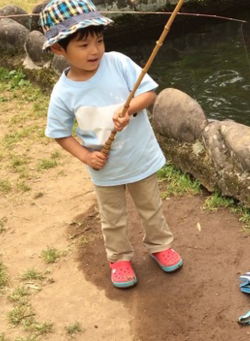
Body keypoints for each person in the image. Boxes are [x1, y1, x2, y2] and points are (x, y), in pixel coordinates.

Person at [40, 0, 183, 288]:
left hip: (140, 157)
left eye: (99, 40)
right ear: (59, 49)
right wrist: (85, 156)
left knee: (151, 207)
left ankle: (159, 246)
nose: (94, 50)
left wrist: (129, 110)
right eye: (83, 45)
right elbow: (60, 133)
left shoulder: (117, 62)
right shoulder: (63, 92)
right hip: (105, 168)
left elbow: (148, 94)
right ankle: (118, 258)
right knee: (112, 217)